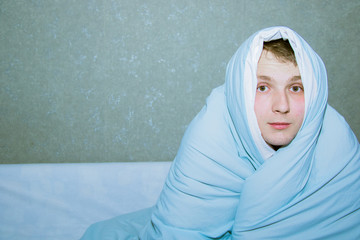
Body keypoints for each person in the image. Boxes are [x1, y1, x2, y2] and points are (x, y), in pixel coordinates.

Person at [82, 26, 360, 239]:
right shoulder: (212, 133)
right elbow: (181, 228)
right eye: (262, 87)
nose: (282, 106)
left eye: (295, 88)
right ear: (239, 93)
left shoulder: (336, 142)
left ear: (315, 92)